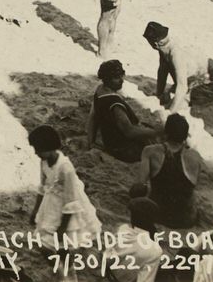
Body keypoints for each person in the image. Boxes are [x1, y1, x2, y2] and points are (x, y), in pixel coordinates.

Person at [27, 124, 101, 281]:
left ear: (49, 147)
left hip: (67, 210)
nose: (36, 153)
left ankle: (68, 276)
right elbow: (42, 187)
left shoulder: (65, 168)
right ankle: (65, 276)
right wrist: (35, 210)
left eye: (38, 149)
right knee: (44, 244)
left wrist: (63, 227)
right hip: (51, 205)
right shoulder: (44, 162)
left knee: (59, 246)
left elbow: (71, 200)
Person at [130, 113, 202, 228]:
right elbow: (193, 187)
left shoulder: (150, 151)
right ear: (185, 136)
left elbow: (140, 186)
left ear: (166, 132)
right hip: (185, 220)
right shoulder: (196, 156)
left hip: (158, 215)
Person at [143, 21, 213, 113]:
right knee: (170, 95)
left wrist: (169, 113)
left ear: (157, 43)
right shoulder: (164, 50)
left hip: (212, 80)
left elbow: (182, 88)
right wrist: (159, 94)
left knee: (188, 101)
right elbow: (162, 72)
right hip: (195, 77)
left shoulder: (176, 54)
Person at [88, 59, 158, 163]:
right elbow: (129, 131)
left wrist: (91, 141)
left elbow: (93, 117)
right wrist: (156, 133)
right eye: (116, 78)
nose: (121, 80)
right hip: (123, 149)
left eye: (121, 76)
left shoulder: (100, 91)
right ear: (107, 79)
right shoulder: (115, 104)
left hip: (110, 141)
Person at [106, 198, 163, 282]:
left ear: (132, 218)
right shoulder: (155, 250)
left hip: (109, 274)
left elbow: (107, 257)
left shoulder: (122, 229)